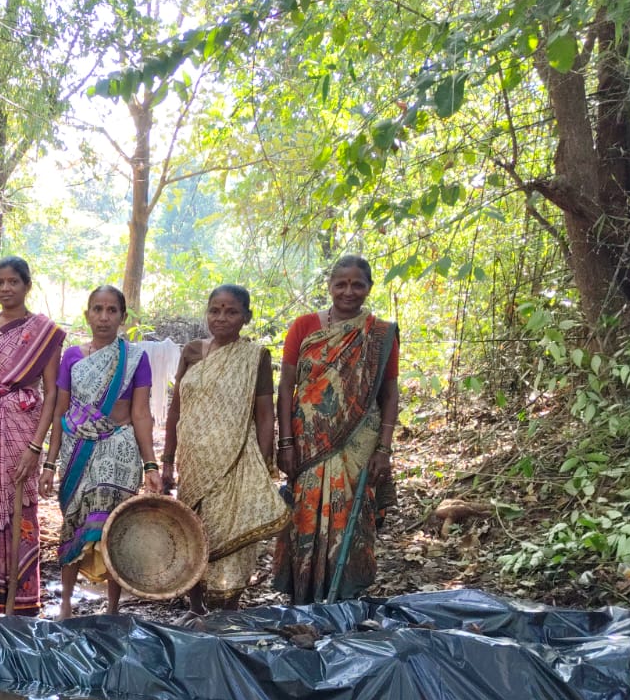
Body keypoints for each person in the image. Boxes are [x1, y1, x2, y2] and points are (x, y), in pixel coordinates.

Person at [275, 255, 401, 602]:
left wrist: (384, 450)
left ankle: (344, 598)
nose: (349, 291)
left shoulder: (380, 335)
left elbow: (389, 394)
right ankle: (302, 596)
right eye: (341, 284)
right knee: (304, 514)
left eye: (357, 284)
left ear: (369, 288)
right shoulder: (304, 327)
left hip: (359, 441)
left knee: (353, 517)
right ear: (329, 286)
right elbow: (287, 387)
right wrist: (285, 442)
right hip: (307, 441)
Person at [161, 284, 288, 613]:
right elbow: (176, 409)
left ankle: (227, 609)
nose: (221, 318)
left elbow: (264, 413)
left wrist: (263, 462)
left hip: (236, 460)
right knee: (193, 530)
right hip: (194, 461)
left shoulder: (255, 356)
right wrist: (167, 461)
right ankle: (195, 607)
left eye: (231, 311)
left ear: (246, 316)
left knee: (229, 533)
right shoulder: (191, 351)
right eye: (215, 310)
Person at [40, 285, 159, 618]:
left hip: (118, 451)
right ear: (87, 314)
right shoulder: (72, 357)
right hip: (78, 450)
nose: (104, 317)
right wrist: (49, 463)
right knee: (73, 521)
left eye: (111, 310)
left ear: (122, 316)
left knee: (113, 526)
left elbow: (140, 414)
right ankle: (65, 604)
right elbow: (60, 414)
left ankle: (112, 608)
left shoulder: (135, 358)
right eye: (97, 309)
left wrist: (151, 466)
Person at [0, 256, 65, 617]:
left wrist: (37, 448)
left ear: (27, 285)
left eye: (13, 282)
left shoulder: (43, 332)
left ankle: (19, 599)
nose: (6, 289)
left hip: (22, 427)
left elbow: (51, 393)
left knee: (19, 507)